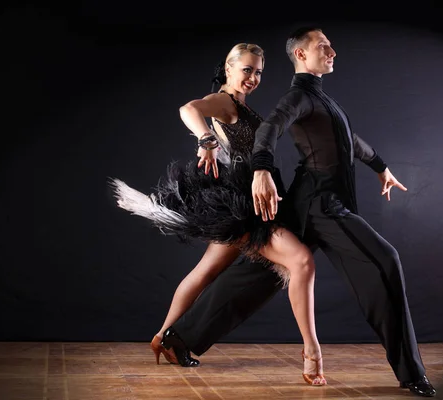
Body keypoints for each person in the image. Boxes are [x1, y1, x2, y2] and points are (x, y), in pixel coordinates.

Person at [109, 42, 326, 386]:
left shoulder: (241, 104)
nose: (253, 78)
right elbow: (189, 108)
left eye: (258, 72)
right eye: (247, 70)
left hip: (244, 203)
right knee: (299, 261)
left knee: (205, 271)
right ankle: (312, 351)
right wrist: (206, 139)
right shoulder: (224, 102)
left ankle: (163, 336)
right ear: (228, 68)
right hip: (244, 209)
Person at [248, 26, 436, 397]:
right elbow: (269, 128)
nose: (333, 51)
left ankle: (180, 338)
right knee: (385, 260)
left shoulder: (322, 101)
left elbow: (350, 141)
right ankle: (411, 373)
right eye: (323, 46)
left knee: (253, 276)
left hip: (317, 202)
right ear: (301, 54)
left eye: (331, 46)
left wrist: (381, 167)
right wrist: (261, 168)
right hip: (320, 204)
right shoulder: (298, 96)